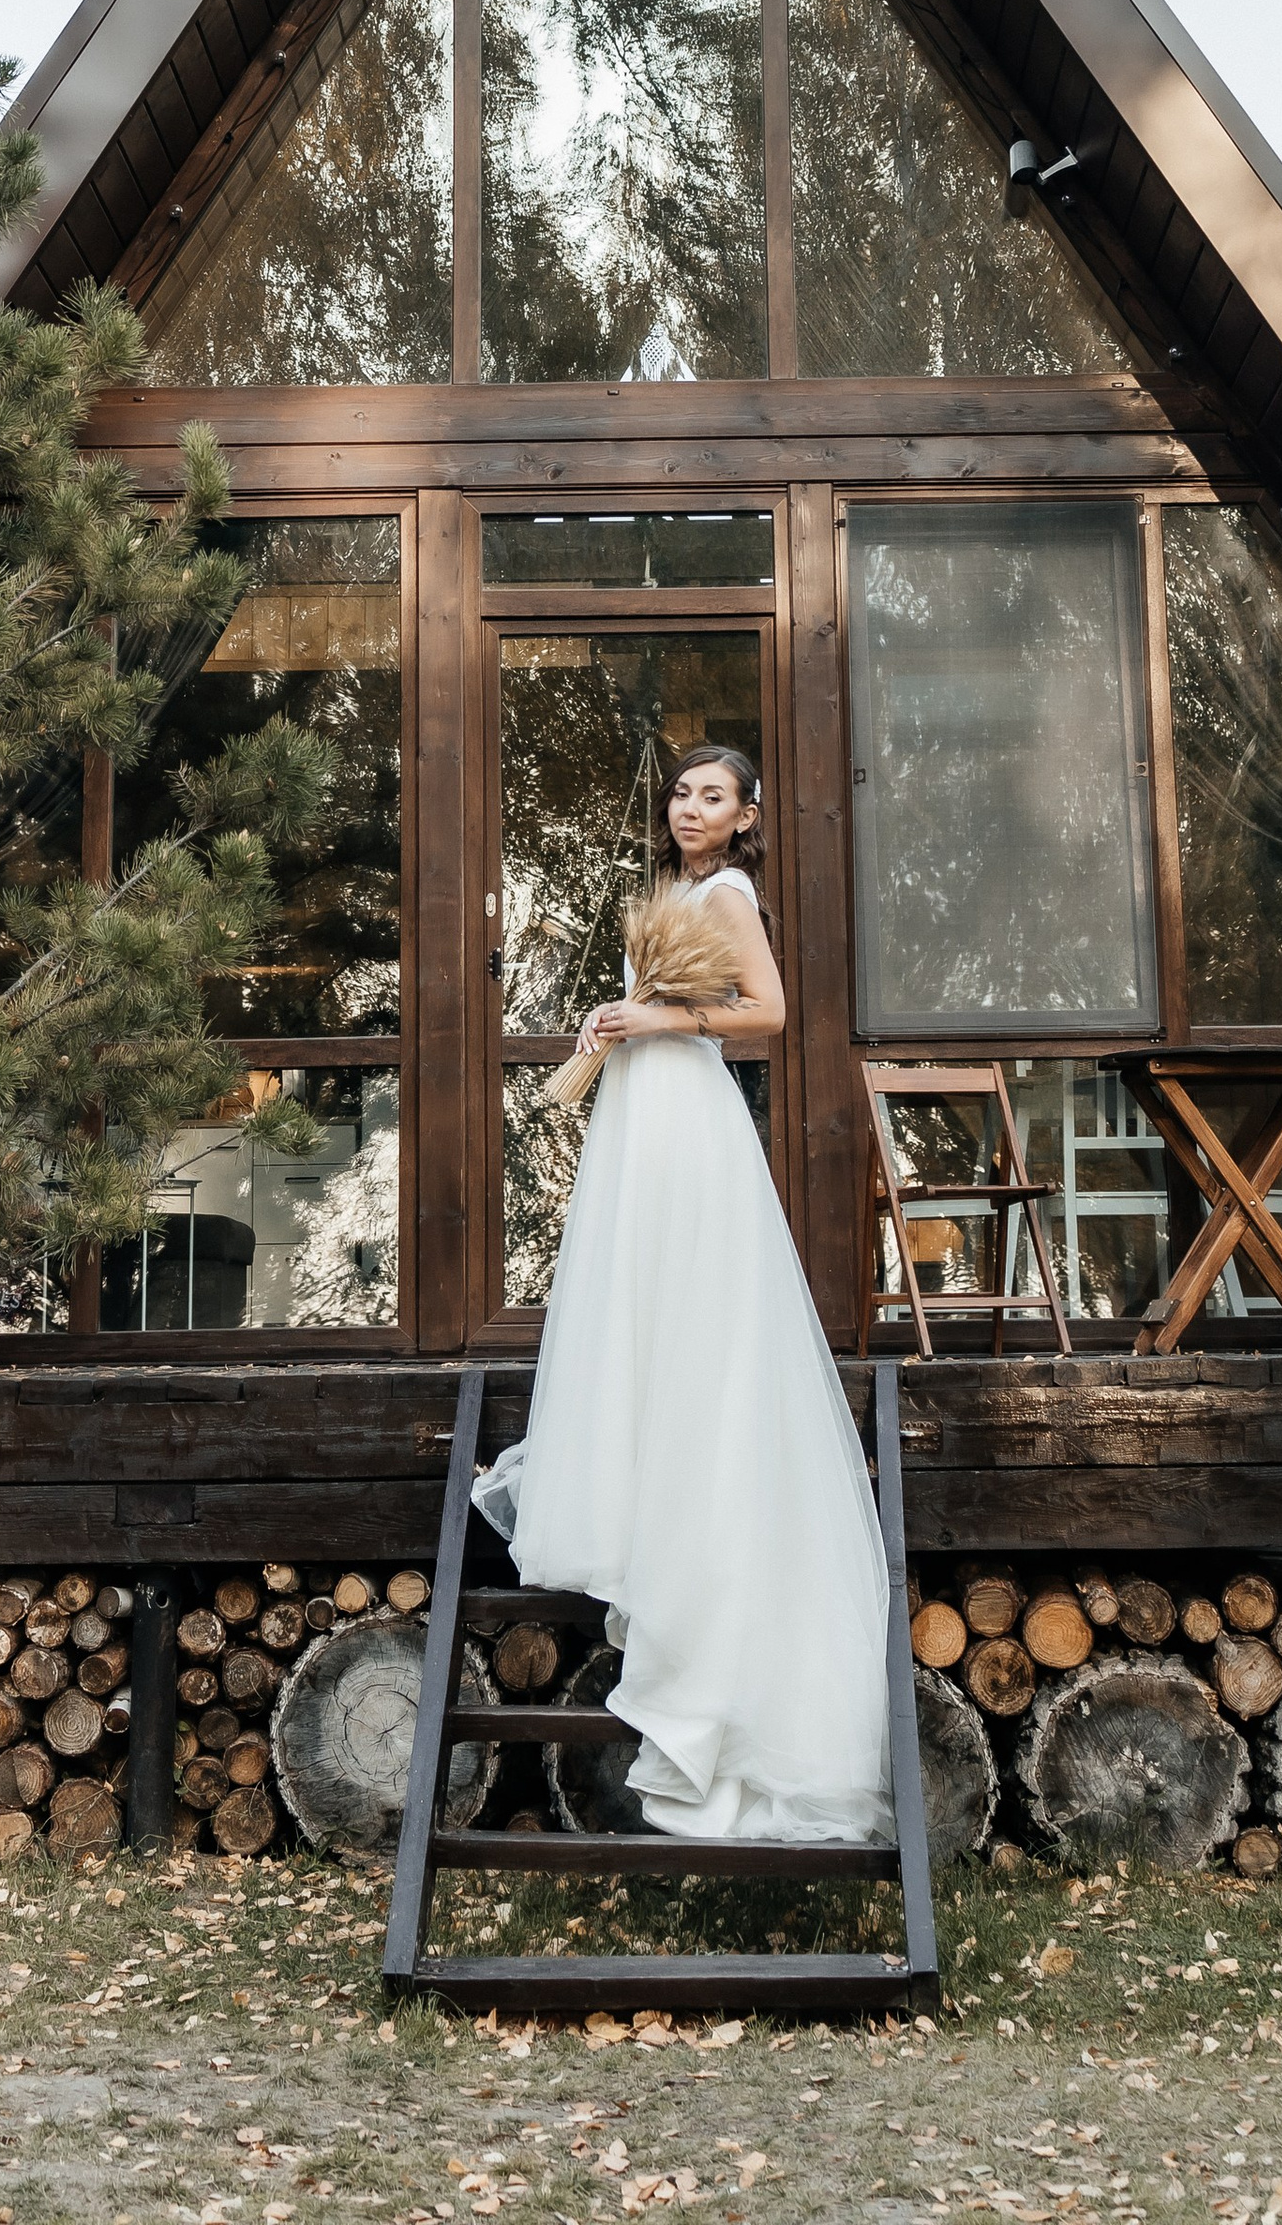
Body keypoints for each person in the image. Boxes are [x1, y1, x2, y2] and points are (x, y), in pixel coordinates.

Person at [473, 743, 894, 1844]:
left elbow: (770, 1013)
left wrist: (661, 1021)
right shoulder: (671, 891)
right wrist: (616, 1023)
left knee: (695, 1310)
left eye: (713, 794)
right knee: (640, 1309)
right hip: (643, 1118)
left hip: (691, 1116)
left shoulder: (728, 891)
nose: (690, 806)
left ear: (747, 813)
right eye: (680, 791)